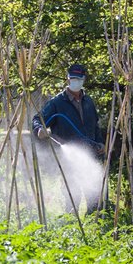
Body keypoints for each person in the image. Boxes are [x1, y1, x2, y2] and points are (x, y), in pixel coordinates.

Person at [32, 64, 105, 215]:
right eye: (73, 78)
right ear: (68, 78)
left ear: (84, 79)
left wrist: (100, 142)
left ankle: (94, 229)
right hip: (68, 159)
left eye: (78, 79)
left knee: (93, 197)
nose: (75, 81)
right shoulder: (57, 103)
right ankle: (72, 228)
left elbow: (96, 125)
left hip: (90, 156)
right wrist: (40, 130)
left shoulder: (88, 102)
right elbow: (37, 119)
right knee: (72, 197)